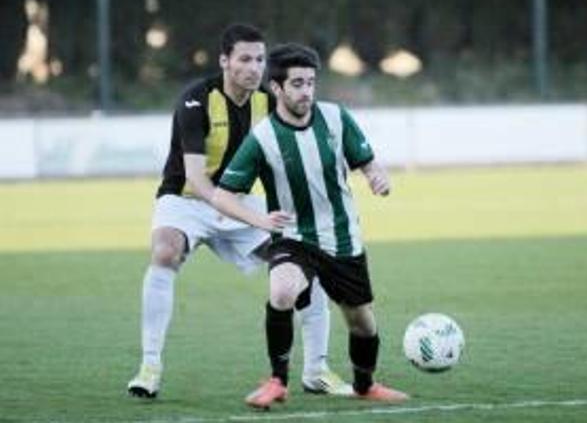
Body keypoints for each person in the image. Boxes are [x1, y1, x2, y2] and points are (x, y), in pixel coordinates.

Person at [127, 23, 351, 400]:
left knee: (306, 262)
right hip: (185, 200)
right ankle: (149, 366)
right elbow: (198, 180)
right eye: (244, 59)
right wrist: (256, 218)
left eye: (260, 59)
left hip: (240, 203)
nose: (254, 67)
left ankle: (316, 370)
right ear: (225, 61)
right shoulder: (196, 100)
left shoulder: (269, 103)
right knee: (165, 251)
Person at [210, 42, 408, 409]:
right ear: (277, 88)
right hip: (294, 237)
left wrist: (377, 178)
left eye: (311, 83)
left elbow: (368, 162)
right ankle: (277, 381)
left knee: (362, 323)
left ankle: (365, 385)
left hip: (342, 239)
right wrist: (260, 220)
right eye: (297, 84)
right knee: (282, 291)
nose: (306, 91)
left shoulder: (335, 118)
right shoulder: (263, 138)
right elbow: (222, 195)